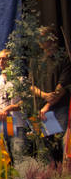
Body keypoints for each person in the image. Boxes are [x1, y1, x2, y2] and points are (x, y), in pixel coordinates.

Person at [32, 27, 70, 160]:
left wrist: (48, 104)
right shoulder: (36, 61)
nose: (39, 40)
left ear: (52, 38)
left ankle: (65, 178)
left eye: (42, 36)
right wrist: (45, 96)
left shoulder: (64, 58)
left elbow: (63, 85)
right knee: (45, 148)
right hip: (42, 111)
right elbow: (31, 87)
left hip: (60, 109)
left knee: (63, 146)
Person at [0, 49, 27, 157]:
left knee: (19, 156)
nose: (1, 61)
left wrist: (9, 108)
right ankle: (2, 175)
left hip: (15, 122)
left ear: (12, 60)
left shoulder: (21, 80)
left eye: (4, 59)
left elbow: (24, 103)